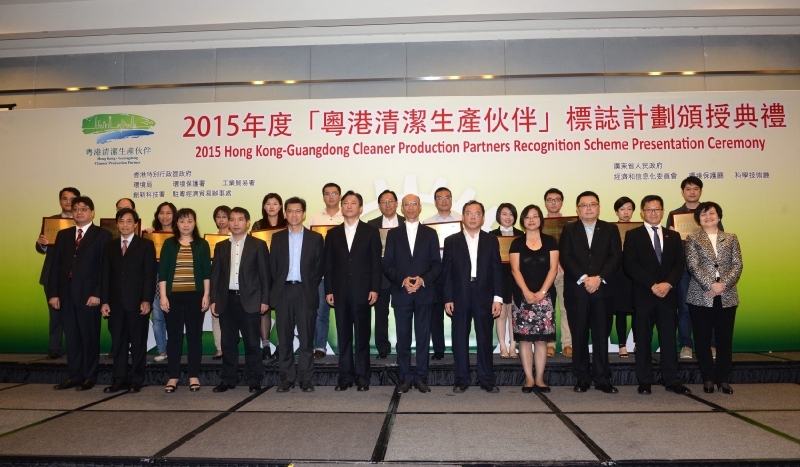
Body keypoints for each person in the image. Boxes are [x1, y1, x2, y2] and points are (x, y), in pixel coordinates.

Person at [623, 195, 690, 395]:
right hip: (644, 294)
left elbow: (679, 265)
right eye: (649, 209)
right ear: (642, 212)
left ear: (662, 211)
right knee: (643, 339)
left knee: (668, 339)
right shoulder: (633, 235)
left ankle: (672, 380)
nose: (653, 213)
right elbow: (630, 265)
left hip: (668, 295)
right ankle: (645, 380)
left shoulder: (674, 236)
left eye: (657, 209)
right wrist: (653, 285)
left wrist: (668, 284)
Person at [559, 191, 621, 394]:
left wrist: (598, 278)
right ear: (577, 209)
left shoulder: (611, 229)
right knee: (579, 336)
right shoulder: (568, 230)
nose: (588, 208)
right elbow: (566, 257)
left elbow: (615, 257)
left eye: (592, 204)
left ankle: (602, 378)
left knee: (602, 335)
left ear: (599, 207)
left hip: (603, 290)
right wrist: (585, 278)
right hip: (577, 291)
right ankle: (582, 377)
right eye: (583, 205)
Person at [49, 196, 112, 391]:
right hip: (66, 294)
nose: (79, 212)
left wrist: (98, 293)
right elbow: (56, 266)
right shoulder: (64, 235)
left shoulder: (102, 235)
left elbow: (105, 267)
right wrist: (54, 294)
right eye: (76, 209)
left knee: (89, 336)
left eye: (84, 209)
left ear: (92, 212)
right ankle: (74, 376)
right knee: (72, 336)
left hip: (89, 296)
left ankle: (89, 376)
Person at [443, 201, 503, 393]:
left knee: (484, 337)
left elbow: (497, 271)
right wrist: (448, 298)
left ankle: (486, 378)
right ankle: (462, 378)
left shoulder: (491, 240)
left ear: (483, 218)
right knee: (459, 337)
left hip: (484, 293)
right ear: (463, 217)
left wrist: (498, 298)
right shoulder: (451, 241)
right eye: (469, 213)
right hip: (460, 294)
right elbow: (447, 273)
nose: (473, 217)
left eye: (477, 214)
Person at [383, 194, 441, 393]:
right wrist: (403, 280)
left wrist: (422, 280)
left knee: (424, 337)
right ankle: (406, 376)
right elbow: (387, 264)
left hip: (424, 292)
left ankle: (422, 377)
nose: (410, 208)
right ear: (401, 208)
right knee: (403, 336)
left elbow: (436, 264)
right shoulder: (393, 234)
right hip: (402, 292)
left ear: (420, 207)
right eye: (406, 204)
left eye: (414, 204)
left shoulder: (431, 233)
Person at [325, 191, 382, 391]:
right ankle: (345, 376)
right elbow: (329, 264)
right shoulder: (333, 234)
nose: (349, 206)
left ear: (360, 208)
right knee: (344, 336)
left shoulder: (370, 231)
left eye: (353, 203)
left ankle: (363, 377)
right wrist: (329, 289)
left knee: (362, 336)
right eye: (346, 203)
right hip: (339, 292)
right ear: (341, 207)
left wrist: (375, 287)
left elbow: (376, 262)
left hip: (363, 291)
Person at [210, 207, 271, 393]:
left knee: (252, 342)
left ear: (247, 222)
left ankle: (254, 379)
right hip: (226, 300)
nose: (236, 223)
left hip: (251, 300)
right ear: (228, 223)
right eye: (232, 219)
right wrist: (213, 299)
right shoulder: (221, 246)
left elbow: (265, 276)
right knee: (228, 342)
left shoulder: (258, 245)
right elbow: (216, 275)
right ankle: (229, 379)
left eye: (240, 219)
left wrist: (265, 300)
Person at [685, 202, 742, 394]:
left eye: (711, 213)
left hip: (727, 295)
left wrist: (722, 285)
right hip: (701, 295)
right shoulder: (693, 239)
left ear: (719, 216)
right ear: (698, 220)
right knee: (702, 339)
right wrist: (711, 284)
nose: (708, 216)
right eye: (703, 214)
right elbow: (693, 266)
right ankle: (708, 378)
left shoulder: (731, 238)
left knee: (725, 339)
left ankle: (723, 379)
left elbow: (738, 265)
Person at [270, 197, 325, 393]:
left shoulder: (315, 238)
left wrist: (309, 285)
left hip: (305, 291)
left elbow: (319, 268)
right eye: (290, 211)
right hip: (283, 291)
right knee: (284, 338)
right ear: (285, 214)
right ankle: (286, 378)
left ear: (304, 214)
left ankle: (305, 378)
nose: (294, 214)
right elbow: (273, 268)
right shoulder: (277, 238)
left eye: (298, 211)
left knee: (306, 338)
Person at [666, 176, 724, 360]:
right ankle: (686, 345)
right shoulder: (675, 214)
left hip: (708, 268)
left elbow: (719, 239)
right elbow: (670, 245)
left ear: (701, 191)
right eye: (688, 189)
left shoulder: (710, 212)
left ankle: (711, 345)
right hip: (684, 269)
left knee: (710, 307)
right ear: (682, 192)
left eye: (695, 189)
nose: (692, 192)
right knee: (684, 308)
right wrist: (672, 236)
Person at [100, 208, 156, 393]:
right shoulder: (110, 247)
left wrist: (147, 300)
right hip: (115, 304)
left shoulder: (145, 245)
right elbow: (105, 276)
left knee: (138, 343)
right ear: (117, 224)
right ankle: (118, 379)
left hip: (138, 303)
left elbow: (149, 276)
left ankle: (136, 379)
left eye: (129, 221)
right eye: (122, 221)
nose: (125, 225)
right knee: (119, 343)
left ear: (135, 224)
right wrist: (105, 301)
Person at [158, 208, 211, 393]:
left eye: (189, 221)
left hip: (195, 295)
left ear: (194, 223)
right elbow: (163, 272)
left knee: (194, 336)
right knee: (174, 337)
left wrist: (206, 295)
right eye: (182, 221)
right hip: (173, 296)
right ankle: (173, 376)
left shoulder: (202, 244)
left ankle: (193, 375)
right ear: (176, 224)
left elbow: (206, 272)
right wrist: (163, 296)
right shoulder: (169, 244)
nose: (186, 225)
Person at [509, 204, 558, 393]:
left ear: (541, 220)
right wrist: (527, 293)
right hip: (523, 298)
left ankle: (540, 378)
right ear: (522, 220)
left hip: (545, 298)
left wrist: (543, 293)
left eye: (535, 216)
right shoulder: (517, 243)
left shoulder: (550, 241)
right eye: (527, 217)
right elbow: (515, 270)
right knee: (525, 340)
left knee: (541, 340)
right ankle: (529, 378)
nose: (531, 220)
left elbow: (553, 268)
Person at [36, 187, 80, 360]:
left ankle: (76, 348)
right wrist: (43, 244)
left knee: (76, 314)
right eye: (65, 198)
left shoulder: (83, 222)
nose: (68, 202)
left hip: (76, 276)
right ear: (60, 201)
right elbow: (41, 248)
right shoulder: (51, 222)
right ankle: (54, 347)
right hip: (53, 275)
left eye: (72, 199)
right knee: (55, 314)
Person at [423, 186, 462, 361]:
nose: (444, 200)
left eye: (447, 197)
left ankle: (458, 347)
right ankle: (438, 348)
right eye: (440, 198)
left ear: (451, 199)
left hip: (457, 273)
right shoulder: (426, 223)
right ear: (435, 201)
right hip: (435, 273)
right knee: (435, 314)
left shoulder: (462, 220)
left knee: (459, 313)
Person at [367, 189, 405, 359]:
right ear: (379, 205)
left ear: (397, 204)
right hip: (380, 277)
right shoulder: (371, 225)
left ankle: (403, 346)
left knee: (402, 314)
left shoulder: (406, 223)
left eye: (391, 201)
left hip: (402, 276)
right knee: (381, 315)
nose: (387, 204)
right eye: (384, 201)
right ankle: (383, 348)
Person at [307, 183, 344, 359]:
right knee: (321, 311)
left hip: (344, 274)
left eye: (334, 193)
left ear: (340, 196)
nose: (331, 197)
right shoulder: (313, 219)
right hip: (321, 274)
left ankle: (345, 345)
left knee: (345, 311)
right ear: (323, 196)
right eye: (327, 194)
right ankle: (320, 346)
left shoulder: (347, 216)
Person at [251, 193, 286, 361]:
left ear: (280, 206)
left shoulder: (287, 224)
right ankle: (265, 346)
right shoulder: (258, 225)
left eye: (275, 203)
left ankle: (281, 345)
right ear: (264, 207)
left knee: (281, 310)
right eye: (268, 203)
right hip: (262, 271)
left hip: (282, 272)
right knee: (263, 309)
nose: (271, 206)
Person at [489, 203, 523, 359]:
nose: (508, 217)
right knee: (501, 314)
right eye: (504, 214)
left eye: (511, 214)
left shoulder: (521, 235)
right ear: (498, 216)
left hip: (517, 278)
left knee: (514, 314)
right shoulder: (491, 235)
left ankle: (513, 346)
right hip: (498, 278)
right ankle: (503, 346)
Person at [543, 188, 572, 358]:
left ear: (562, 202)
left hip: (565, 271)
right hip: (546, 272)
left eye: (557, 199)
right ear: (545, 202)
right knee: (548, 309)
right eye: (550, 199)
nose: (553, 202)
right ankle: (550, 343)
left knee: (566, 308)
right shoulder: (538, 223)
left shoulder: (569, 224)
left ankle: (567, 343)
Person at [149, 201, 177, 363]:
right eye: (161, 212)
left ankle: (173, 350)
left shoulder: (180, 234)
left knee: (174, 318)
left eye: (168, 213)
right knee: (158, 317)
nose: (164, 216)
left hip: (175, 279)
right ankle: (162, 350)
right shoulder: (151, 234)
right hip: (156, 278)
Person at [612, 196, 636, 358]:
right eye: (622, 209)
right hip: (617, 275)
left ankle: (637, 343)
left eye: (629, 209)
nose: (626, 212)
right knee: (620, 311)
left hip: (635, 274)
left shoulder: (639, 229)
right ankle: (622, 345)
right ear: (616, 212)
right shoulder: (610, 229)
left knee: (637, 311)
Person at [210, 205, 231, 361]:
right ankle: (219, 348)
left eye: (225, 216)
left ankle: (231, 347)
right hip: (217, 281)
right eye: (219, 216)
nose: (221, 220)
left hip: (234, 283)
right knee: (216, 316)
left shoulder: (238, 237)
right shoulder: (210, 239)